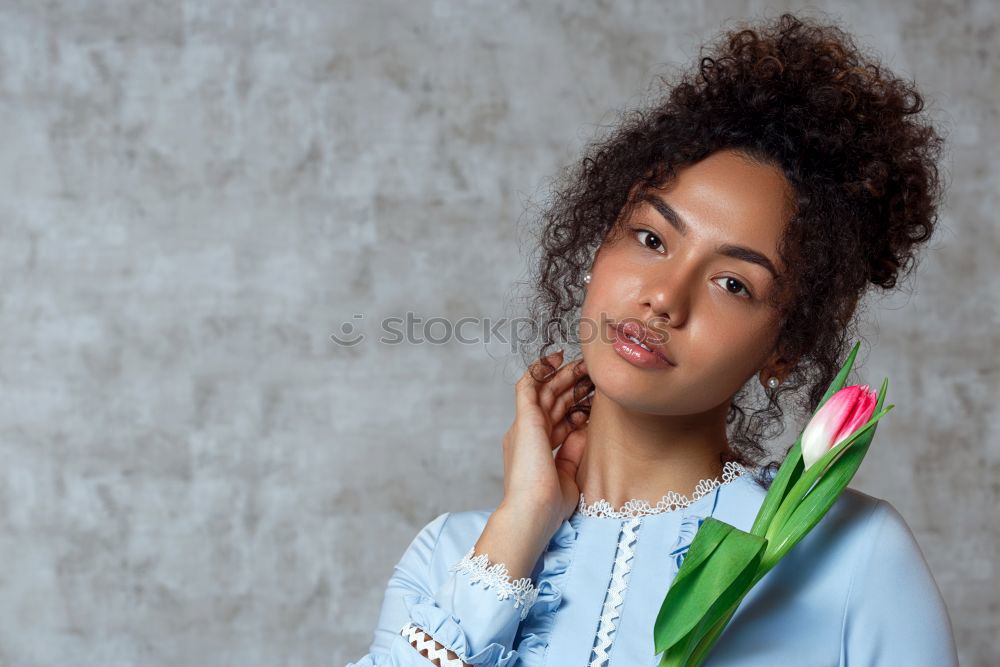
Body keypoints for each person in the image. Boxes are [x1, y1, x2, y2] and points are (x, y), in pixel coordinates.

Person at [347, 12, 958, 667]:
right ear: (597, 248)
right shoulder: (452, 555)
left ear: (785, 346)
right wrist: (520, 523)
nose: (664, 296)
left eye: (733, 283)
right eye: (650, 239)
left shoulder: (851, 553)